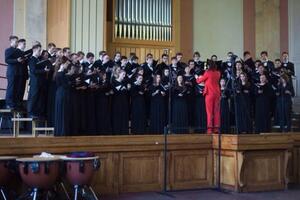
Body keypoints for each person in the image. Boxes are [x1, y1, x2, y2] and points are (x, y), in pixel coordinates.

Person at [196, 60, 221, 134]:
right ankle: (216, 128)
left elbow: (199, 81)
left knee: (209, 112)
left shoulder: (207, 73)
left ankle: (209, 129)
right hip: (217, 93)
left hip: (209, 94)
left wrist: (196, 77)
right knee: (216, 112)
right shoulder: (218, 73)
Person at [27, 44, 50, 118]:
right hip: (35, 82)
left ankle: (36, 112)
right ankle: (31, 112)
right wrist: (44, 70)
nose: (40, 52)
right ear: (34, 50)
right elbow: (33, 71)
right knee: (33, 97)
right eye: (39, 50)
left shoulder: (38, 59)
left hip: (39, 82)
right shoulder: (32, 59)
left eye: (40, 50)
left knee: (38, 98)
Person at [54, 56, 71, 136]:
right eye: (67, 64)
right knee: (63, 112)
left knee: (62, 112)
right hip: (62, 93)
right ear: (63, 64)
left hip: (60, 93)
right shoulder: (61, 74)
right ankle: (62, 131)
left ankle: (61, 130)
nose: (68, 65)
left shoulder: (59, 73)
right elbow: (65, 85)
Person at [5, 35, 21, 110]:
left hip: (18, 72)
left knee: (16, 88)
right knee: (11, 88)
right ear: (11, 41)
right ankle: (8, 103)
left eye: (18, 41)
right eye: (16, 41)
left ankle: (14, 103)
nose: (17, 43)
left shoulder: (18, 51)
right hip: (11, 72)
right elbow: (7, 60)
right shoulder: (8, 50)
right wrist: (16, 60)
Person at [111, 70, 129, 134]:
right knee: (117, 116)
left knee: (124, 115)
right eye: (123, 74)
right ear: (119, 74)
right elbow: (113, 91)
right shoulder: (114, 81)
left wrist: (127, 88)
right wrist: (121, 87)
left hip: (124, 101)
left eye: (125, 75)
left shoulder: (124, 82)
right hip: (117, 101)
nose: (124, 76)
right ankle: (117, 131)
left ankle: (124, 131)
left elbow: (127, 92)